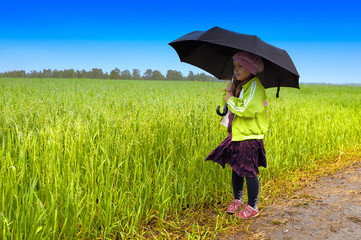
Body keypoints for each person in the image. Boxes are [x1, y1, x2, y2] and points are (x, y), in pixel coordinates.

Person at [205, 51, 269, 219]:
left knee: (248, 170)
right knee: (236, 168)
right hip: (237, 134)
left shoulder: (255, 86)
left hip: (249, 135)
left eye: (241, 66)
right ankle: (238, 200)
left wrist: (230, 99)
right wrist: (231, 93)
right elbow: (233, 108)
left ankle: (253, 206)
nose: (236, 70)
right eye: (235, 66)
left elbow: (246, 110)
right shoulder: (242, 86)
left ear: (252, 68)